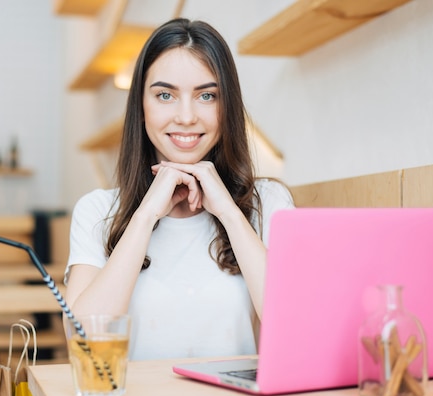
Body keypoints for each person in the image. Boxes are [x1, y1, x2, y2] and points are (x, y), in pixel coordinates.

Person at [64, 18, 295, 361]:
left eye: (206, 95)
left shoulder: (268, 202)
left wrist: (230, 214)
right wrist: (144, 216)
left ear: (226, 106)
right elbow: (86, 343)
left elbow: (294, 327)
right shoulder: (97, 210)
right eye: (165, 95)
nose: (186, 116)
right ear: (141, 108)